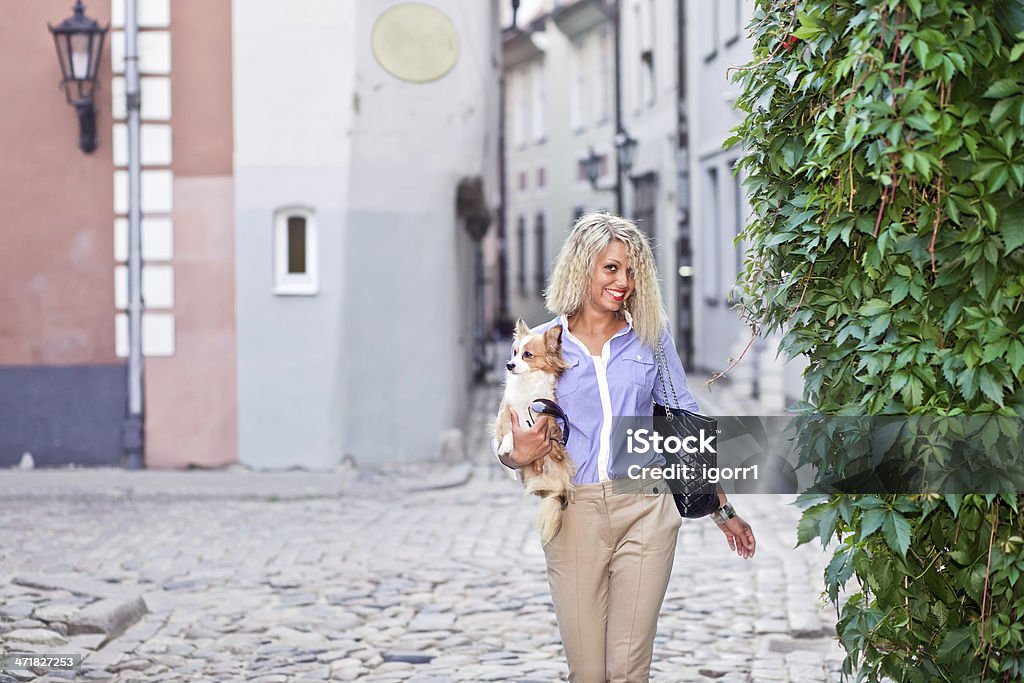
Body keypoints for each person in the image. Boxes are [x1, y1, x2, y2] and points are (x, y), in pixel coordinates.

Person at [495, 212, 756, 683]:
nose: (624, 282)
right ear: (582, 266)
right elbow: (508, 437)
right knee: (589, 673)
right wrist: (517, 453)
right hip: (575, 512)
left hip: (646, 507)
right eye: (611, 268)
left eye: (632, 270)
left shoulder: (650, 338)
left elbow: (684, 419)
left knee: (628, 670)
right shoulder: (543, 346)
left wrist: (722, 509)